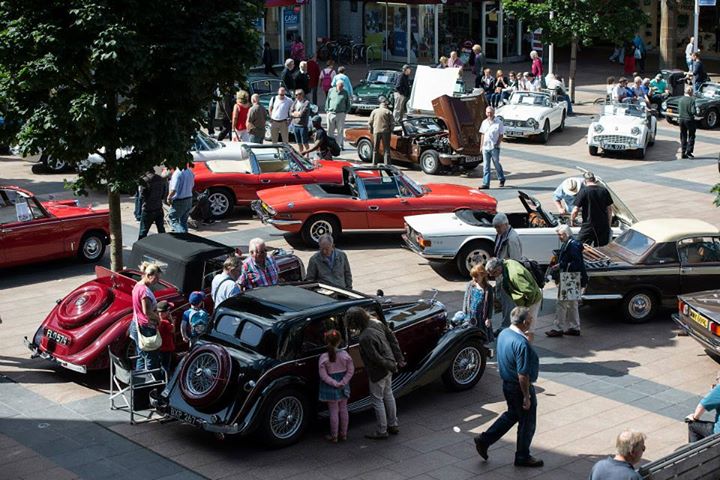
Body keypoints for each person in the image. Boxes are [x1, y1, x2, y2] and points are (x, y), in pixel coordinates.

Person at [474, 306, 543, 468]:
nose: (532, 321)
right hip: (519, 387)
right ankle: (522, 456)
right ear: (525, 322)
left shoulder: (505, 333)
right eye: (530, 319)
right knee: (527, 422)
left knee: (513, 414)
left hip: (507, 384)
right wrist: (527, 396)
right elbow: (523, 375)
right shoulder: (521, 343)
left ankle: (485, 439)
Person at [347, 306, 405, 440]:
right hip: (389, 365)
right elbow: (392, 339)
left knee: (377, 400)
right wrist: (398, 359)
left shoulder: (364, 337)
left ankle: (382, 430)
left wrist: (389, 365)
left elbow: (375, 358)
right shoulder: (377, 322)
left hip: (378, 371)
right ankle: (393, 424)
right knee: (388, 394)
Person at [545, 225, 587, 338]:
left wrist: (561, 265)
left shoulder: (572, 245)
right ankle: (575, 327)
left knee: (561, 303)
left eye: (560, 235)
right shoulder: (573, 243)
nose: (558, 237)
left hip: (570, 277)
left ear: (566, 234)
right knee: (572, 304)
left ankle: (558, 328)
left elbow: (576, 263)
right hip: (574, 277)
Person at [485, 258, 542, 339]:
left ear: (498, 269)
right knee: (521, 326)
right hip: (524, 300)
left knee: (528, 328)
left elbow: (530, 292)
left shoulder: (515, 275)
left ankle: (526, 348)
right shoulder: (506, 263)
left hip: (532, 301)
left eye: (493, 273)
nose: (492, 276)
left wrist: (526, 309)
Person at [318, 329, 355, 443]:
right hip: (344, 387)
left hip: (330, 387)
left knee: (333, 411)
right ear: (339, 341)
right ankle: (343, 434)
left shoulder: (323, 357)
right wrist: (343, 382)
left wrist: (334, 383)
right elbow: (351, 370)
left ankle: (334, 436)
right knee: (344, 409)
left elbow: (323, 376)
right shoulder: (345, 355)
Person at [491, 213, 523, 332]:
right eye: (496, 227)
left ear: (505, 224)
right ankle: (506, 325)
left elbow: (515, 262)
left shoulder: (511, 238)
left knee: (509, 304)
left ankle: (507, 327)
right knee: (504, 303)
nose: (497, 230)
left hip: (508, 277)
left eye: (498, 227)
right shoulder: (502, 234)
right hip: (501, 275)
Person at [130, 262, 162, 370]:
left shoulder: (137, 286)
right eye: (156, 277)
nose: (158, 280)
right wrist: (158, 319)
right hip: (145, 328)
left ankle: (140, 382)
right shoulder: (145, 292)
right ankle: (150, 383)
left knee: (140, 356)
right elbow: (147, 311)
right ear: (148, 275)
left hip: (136, 324)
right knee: (151, 358)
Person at [570, 171, 614, 247]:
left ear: (584, 181)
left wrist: (572, 220)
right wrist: (608, 224)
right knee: (601, 250)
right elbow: (609, 210)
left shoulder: (584, 191)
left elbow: (575, 210)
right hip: (602, 225)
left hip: (588, 225)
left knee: (578, 246)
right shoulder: (604, 190)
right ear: (594, 179)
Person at [462, 263, 495, 342]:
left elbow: (490, 304)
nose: (474, 278)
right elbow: (466, 298)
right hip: (470, 315)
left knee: (480, 334)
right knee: (470, 333)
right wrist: (464, 312)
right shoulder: (470, 285)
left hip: (481, 317)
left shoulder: (488, 288)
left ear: (483, 275)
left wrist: (488, 318)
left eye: (476, 276)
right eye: (473, 276)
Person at [685, 372, 720, 442]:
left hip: (718, 435)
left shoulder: (719, 390)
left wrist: (694, 417)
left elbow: (701, 407)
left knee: (693, 425)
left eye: (718, 379)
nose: (717, 381)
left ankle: (695, 452)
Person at [479, 106, 506, 189]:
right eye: (487, 113)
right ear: (485, 113)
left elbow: (501, 134)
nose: (489, 114)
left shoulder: (499, 122)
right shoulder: (484, 122)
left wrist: (497, 144)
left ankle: (501, 178)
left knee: (496, 163)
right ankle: (486, 183)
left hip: (494, 147)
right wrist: (481, 146)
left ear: (494, 113)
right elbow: (482, 134)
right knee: (486, 166)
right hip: (485, 147)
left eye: (490, 112)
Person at [136, 170, 167, 240]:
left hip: (148, 209)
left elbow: (142, 196)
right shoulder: (160, 178)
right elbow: (164, 193)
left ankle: (141, 247)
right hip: (158, 207)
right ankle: (166, 244)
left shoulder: (145, 180)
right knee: (161, 229)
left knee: (143, 231)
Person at [167, 164, 194, 233]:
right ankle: (186, 237)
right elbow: (192, 185)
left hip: (180, 201)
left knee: (173, 219)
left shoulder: (177, 173)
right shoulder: (190, 172)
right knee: (183, 221)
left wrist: (169, 197)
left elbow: (174, 189)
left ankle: (182, 236)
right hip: (189, 199)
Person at [325, 81, 351, 150]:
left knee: (340, 130)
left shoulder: (345, 92)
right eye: (340, 86)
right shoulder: (331, 90)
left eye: (342, 86)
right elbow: (328, 100)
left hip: (341, 114)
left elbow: (348, 103)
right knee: (330, 130)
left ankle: (338, 146)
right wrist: (327, 110)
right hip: (331, 113)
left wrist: (345, 112)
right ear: (336, 86)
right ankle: (330, 145)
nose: (341, 88)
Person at [368, 96, 394, 165]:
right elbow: (392, 123)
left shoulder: (374, 111)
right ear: (386, 105)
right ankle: (387, 164)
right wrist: (391, 130)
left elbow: (370, 122)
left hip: (376, 131)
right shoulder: (388, 112)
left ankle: (374, 163)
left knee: (375, 148)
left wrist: (371, 130)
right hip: (386, 132)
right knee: (386, 149)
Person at [677, 85, 697, 159]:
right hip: (689, 119)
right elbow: (693, 111)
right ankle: (689, 151)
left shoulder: (681, 99)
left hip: (681, 119)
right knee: (691, 135)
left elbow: (679, 109)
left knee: (683, 135)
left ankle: (683, 152)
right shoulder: (692, 100)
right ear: (691, 92)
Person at [156, 301, 175, 376]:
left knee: (160, 364)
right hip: (167, 348)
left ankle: (160, 377)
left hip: (159, 347)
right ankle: (165, 380)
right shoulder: (166, 323)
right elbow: (173, 330)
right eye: (168, 311)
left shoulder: (157, 321)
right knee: (165, 366)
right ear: (165, 312)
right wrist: (172, 321)